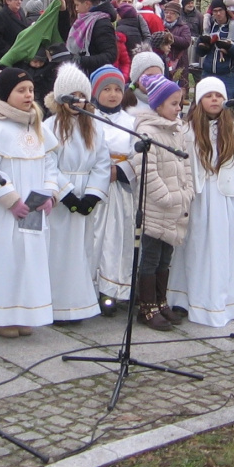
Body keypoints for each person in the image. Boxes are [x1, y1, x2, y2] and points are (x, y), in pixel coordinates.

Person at [167, 77, 234, 327]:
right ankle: (183, 297)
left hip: (223, 199)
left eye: (219, 95)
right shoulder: (187, 131)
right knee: (191, 248)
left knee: (220, 251)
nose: (214, 99)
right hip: (196, 198)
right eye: (209, 95)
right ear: (199, 100)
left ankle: (219, 300)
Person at [0, 67, 58, 337]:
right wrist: (10, 200)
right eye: (21, 90)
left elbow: (50, 162)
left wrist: (49, 193)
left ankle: (26, 312)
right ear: (6, 94)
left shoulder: (37, 127)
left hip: (34, 207)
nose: (28, 95)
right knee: (6, 259)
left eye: (30, 90)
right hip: (6, 211)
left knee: (30, 260)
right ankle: (0, 315)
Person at [43, 63, 110, 323]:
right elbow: (48, 161)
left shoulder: (94, 126)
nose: (78, 101)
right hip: (62, 198)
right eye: (72, 95)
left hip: (86, 193)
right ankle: (56, 304)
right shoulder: (50, 127)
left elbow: (102, 163)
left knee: (83, 251)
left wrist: (93, 195)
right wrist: (67, 195)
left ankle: (79, 303)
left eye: (82, 96)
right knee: (59, 251)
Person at [128, 73, 192, 331]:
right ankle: (147, 306)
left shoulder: (176, 130)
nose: (179, 108)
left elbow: (185, 162)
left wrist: (187, 192)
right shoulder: (146, 132)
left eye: (180, 103)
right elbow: (144, 170)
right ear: (157, 105)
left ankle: (161, 300)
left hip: (176, 204)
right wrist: (166, 196)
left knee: (167, 256)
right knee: (151, 256)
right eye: (174, 104)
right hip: (157, 207)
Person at [89, 66, 137, 316]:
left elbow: (138, 155)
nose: (112, 94)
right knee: (94, 239)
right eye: (106, 89)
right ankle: (89, 289)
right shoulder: (87, 118)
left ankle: (113, 290)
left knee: (116, 241)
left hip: (119, 190)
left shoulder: (131, 122)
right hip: (95, 190)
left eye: (117, 89)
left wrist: (121, 171)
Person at [196, 0, 234, 100]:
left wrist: (229, 48)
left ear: (226, 11)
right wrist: (203, 47)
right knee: (204, 109)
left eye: (220, 10)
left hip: (227, 76)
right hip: (208, 74)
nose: (218, 14)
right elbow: (199, 53)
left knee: (226, 111)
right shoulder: (208, 27)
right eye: (215, 11)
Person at [67, 0, 119, 74]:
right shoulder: (85, 20)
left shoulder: (101, 24)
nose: (76, 9)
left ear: (87, 4)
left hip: (95, 75)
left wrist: (81, 60)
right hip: (87, 73)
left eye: (77, 5)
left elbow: (110, 55)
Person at [0, 0, 29, 69]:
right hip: (7, 59)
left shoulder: (21, 12)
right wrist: (11, 51)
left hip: (20, 58)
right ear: (8, 1)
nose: (19, 2)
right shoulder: (0, 16)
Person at [162, 0, 192, 90]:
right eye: (166, 12)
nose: (168, 15)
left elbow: (186, 42)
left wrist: (170, 37)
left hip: (179, 64)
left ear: (177, 15)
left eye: (171, 13)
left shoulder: (183, 27)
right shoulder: (161, 25)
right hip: (164, 62)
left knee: (178, 92)